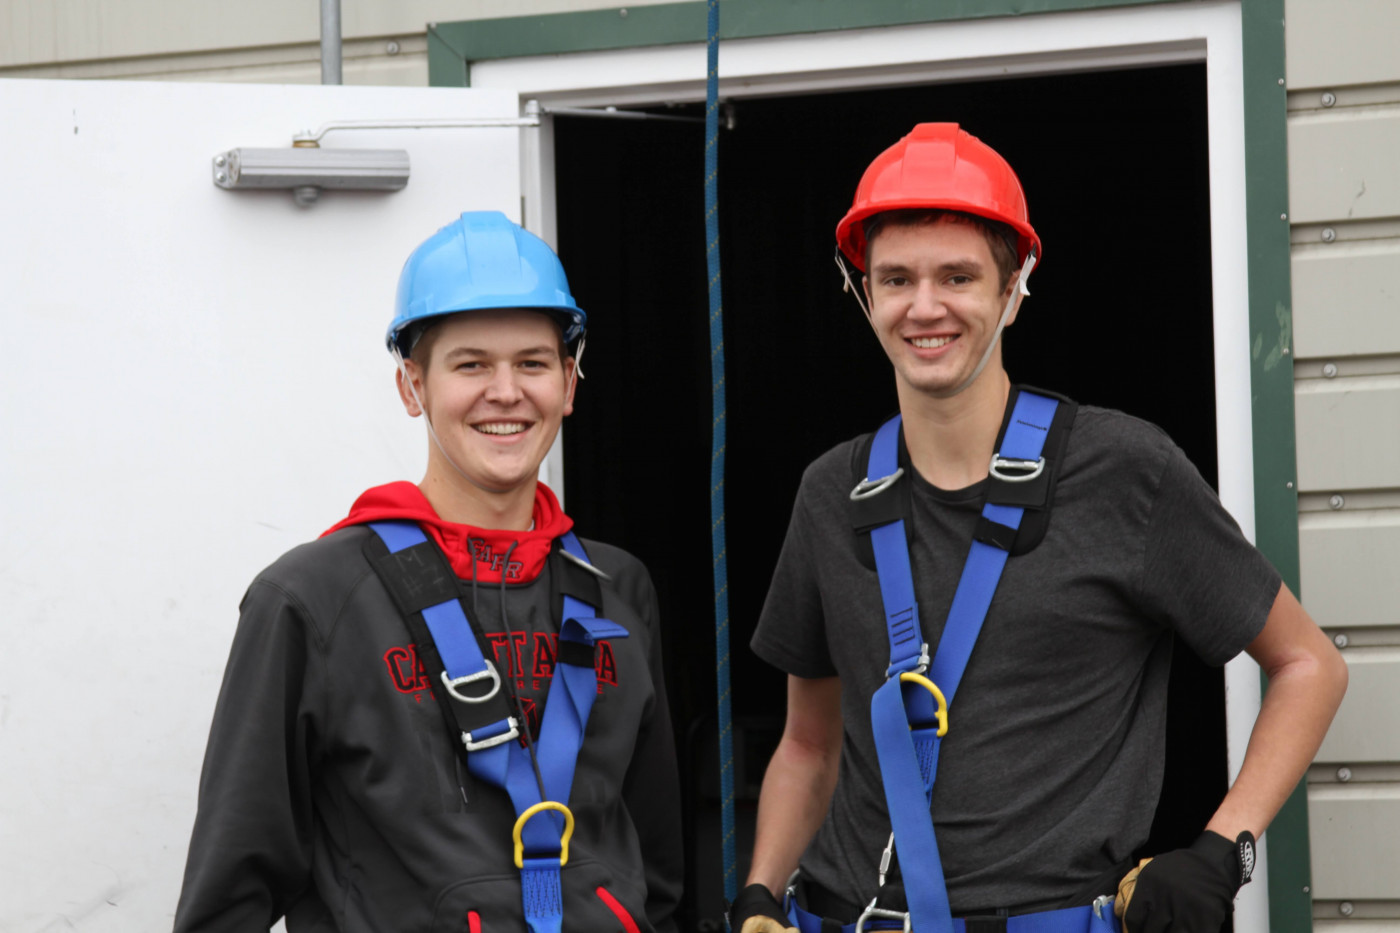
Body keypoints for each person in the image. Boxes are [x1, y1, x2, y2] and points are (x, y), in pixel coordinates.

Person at [730, 124, 1347, 933]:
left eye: (958, 276)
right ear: (861, 290)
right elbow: (809, 746)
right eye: (896, 278)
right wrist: (759, 893)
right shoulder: (829, 491)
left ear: (1015, 285)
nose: (925, 307)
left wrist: (1220, 848)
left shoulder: (1126, 471)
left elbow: (1310, 664)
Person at [174, 212, 683, 933]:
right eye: (470, 364)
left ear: (570, 381)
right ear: (412, 385)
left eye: (533, 363)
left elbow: (657, 878)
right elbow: (229, 894)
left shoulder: (617, 588)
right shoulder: (311, 600)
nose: (505, 392)